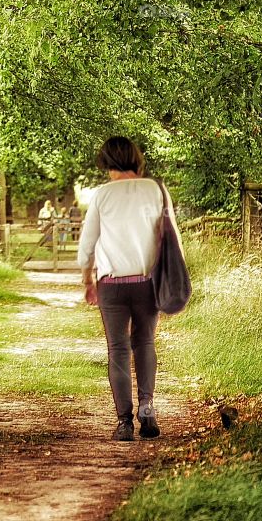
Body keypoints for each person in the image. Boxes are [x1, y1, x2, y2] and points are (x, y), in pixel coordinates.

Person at [77, 136, 181, 443]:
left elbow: (87, 244)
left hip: (112, 284)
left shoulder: (102, 194)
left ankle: (124, 423)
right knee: (145, 342)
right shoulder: (156, 189)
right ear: (136, 159)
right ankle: (147, 409)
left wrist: (87, 280)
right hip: (147, 282)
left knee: (118, 349)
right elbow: (173, 236)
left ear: (106, 162)